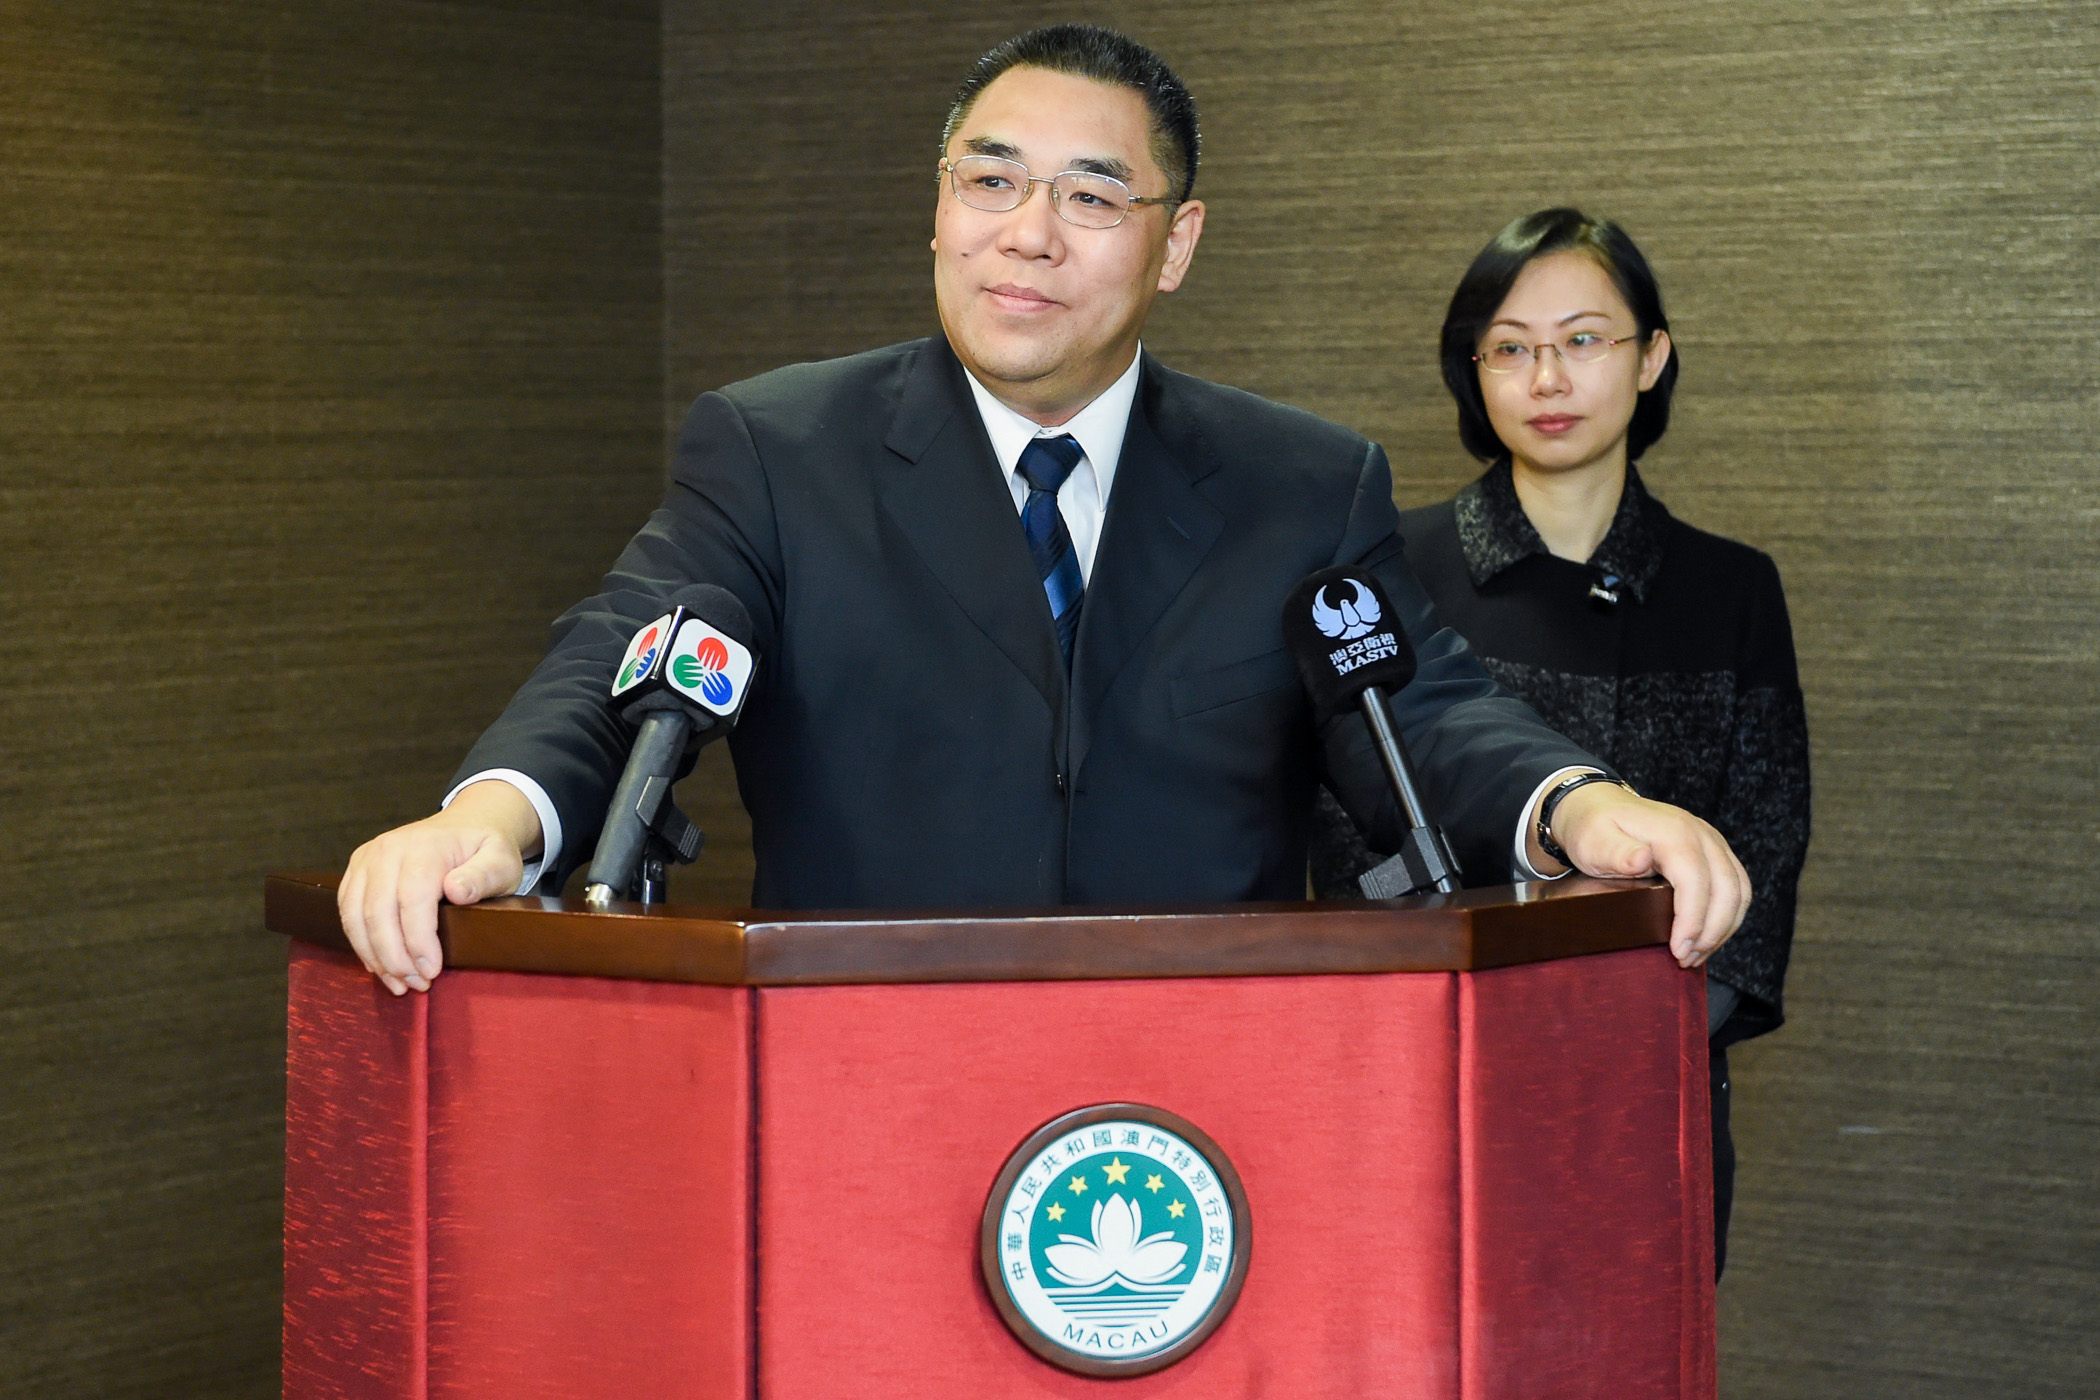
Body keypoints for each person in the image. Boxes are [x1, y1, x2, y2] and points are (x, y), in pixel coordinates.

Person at [339, 29, 1749, 1004]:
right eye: (992, 180)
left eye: (1091, 195)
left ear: (1175, 244)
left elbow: (1421, 710)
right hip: (865, 1074)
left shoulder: (1300, 482)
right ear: (939, 208)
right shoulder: (778, 452)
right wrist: (491, 814)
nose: (1028, 232)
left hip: (1206, 1098)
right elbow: (629, 649)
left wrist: (1584, 805)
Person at [1311, 208, 1811, 1273]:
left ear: (1651, 358)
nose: (1548, 377)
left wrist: (1614, 1040)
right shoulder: (1393, 572)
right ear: (1473, 372)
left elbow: (1759, 862)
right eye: (1510, 348)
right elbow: (1352, 849)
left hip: (1651, 1091)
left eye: (1583, 339)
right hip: (1417, 1087)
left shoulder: (1731, 589)